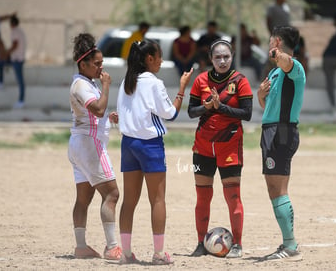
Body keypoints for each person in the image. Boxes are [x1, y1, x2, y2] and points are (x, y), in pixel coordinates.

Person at [115, 39, 193, 265]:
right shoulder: (154, 83)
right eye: (159, 56)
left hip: (128, 144)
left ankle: (126, 254)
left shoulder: (126, 82)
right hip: (150, 145)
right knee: (157, 199)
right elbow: (170, 114)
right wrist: (181, 88)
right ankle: (158, 254)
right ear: (149, 58)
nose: (160, 61)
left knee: (129, 201)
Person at [188, 39, 253, 258]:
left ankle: (238, 244)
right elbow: (191, 112)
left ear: (232, 56)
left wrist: (220, 107)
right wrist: (206, 107)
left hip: (230, 147)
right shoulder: (201, 80)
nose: (222, 61)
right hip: (203, 147)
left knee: (233, 196)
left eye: (226, 57)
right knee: (202, 197)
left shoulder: (240, 81)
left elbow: (247, 114)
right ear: (211, 59)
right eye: (218, 57)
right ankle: (200, 242)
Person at [67, 33, 122, 260]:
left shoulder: (84, 83)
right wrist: (106, 86)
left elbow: (96, 114)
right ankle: (112, 247)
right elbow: (97, 109)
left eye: (102, 63)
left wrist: (108, 119)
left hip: (80, 144)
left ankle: (81, 247)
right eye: (97, 64)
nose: (101, 68)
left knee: (84, 198)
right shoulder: (81, 84)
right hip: (89, 144)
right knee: (112, 193)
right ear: (83, 63)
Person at [256, 26, 305, 261]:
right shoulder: (275, 74)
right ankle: (288, 243)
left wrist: (277, 54)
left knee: (278, 189)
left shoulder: (294, 68)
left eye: (270, 43)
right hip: (271, 131)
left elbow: (287, 62)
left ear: (276, 41)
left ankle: (290, 245)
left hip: (282, 133)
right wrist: (260, 97)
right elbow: (270, 110)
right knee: (273, 189)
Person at [0, 15, 26, 108]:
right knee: (0, 62)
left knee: (20, 80)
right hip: (18, 58)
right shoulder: (20, 31)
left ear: (11, 23)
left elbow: (15, 45)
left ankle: (21, 100)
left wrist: (6, 53)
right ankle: (0, 82)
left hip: (16, 59)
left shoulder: (14, 31)